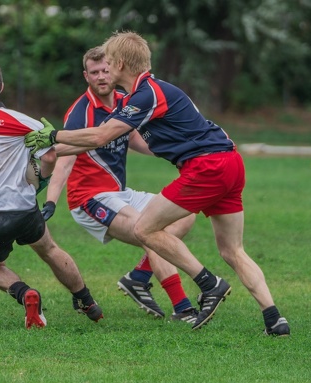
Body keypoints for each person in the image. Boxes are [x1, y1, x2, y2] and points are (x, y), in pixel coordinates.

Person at [26, 32, 290, 335]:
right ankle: (274, 319)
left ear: (121, 64)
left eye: (108, 64)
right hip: (229, 163)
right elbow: (92, 143)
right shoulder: (145, 93)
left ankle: (209, 284)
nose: (104, 71)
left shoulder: (144, 95)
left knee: (144, 228)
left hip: (205, 167)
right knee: (233, 250)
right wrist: (49, 148)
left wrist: (53, 136)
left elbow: (99, 136)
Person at [42, 46, 199, 324]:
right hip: (88, 199)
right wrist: (51, 202)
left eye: (105, 70)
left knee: (185, 212)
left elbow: (137, 140)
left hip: (118, 194)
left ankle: (139, 277)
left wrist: (179, 151)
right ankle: (183, 308)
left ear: (115, 69)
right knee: (148, 230)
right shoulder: (81, 113)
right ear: (86, 76)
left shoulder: (126, 101)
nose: (101, 77)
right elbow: (63, 160)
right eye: (94, 73)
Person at [0, 60, 103, 329]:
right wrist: (40, 177)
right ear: (1, 87)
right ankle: (86, 300)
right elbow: (51, 155)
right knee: (50, 249)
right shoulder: (24, 122)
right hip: (24, 210)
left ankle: (25, 293)